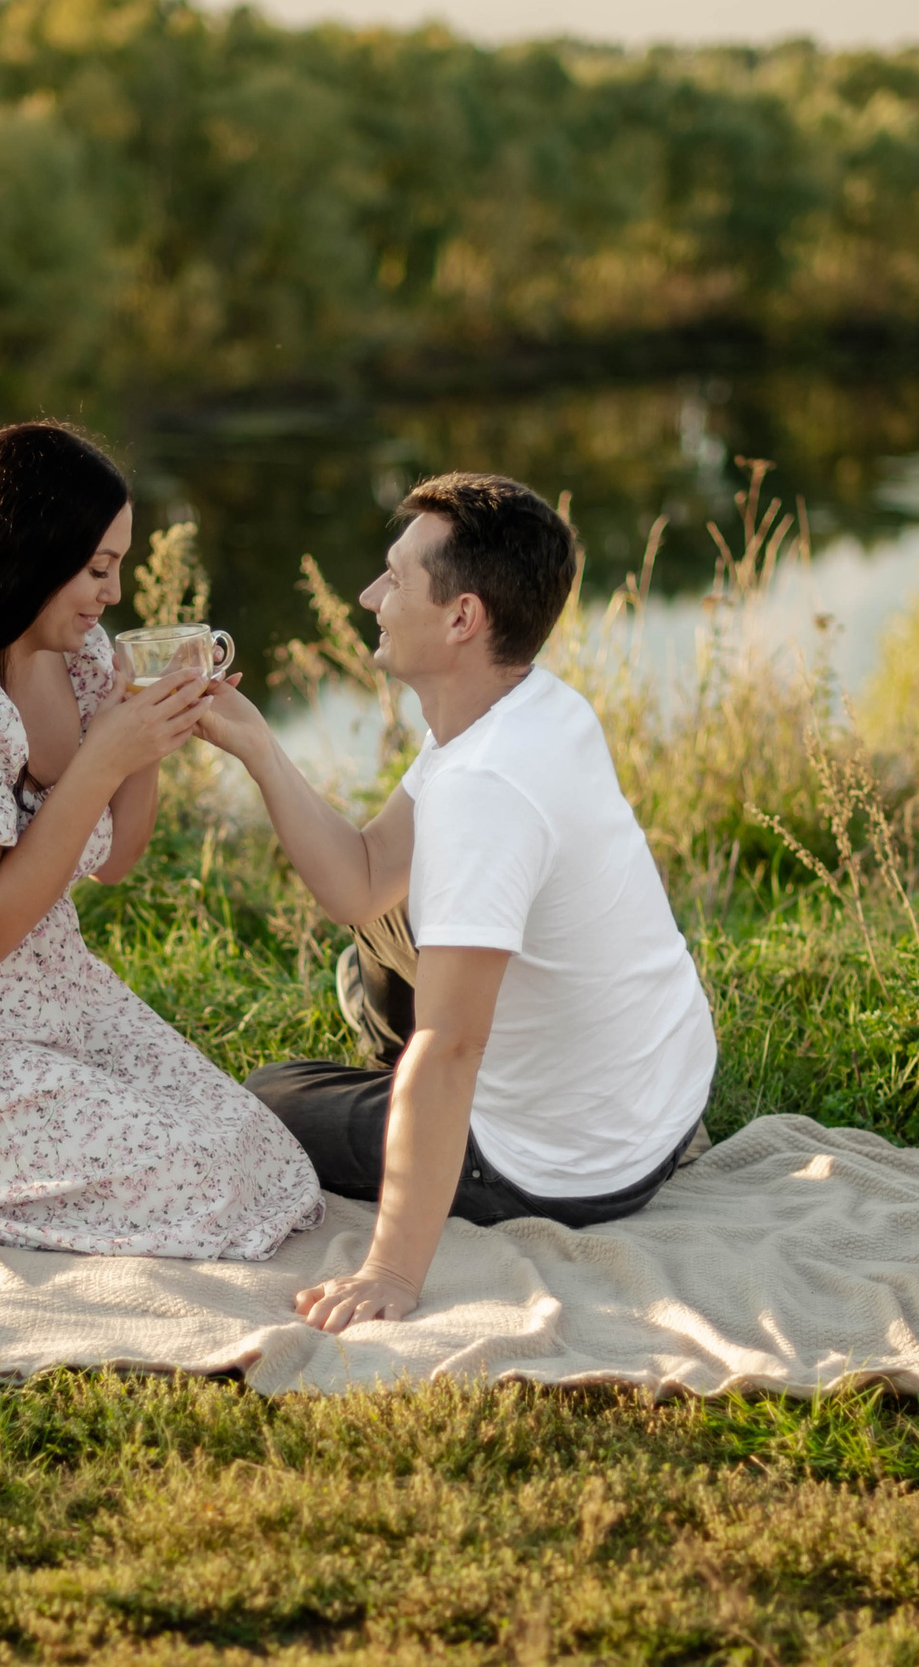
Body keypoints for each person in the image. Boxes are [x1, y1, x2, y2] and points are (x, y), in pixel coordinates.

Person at [0, 421, 323, 1259]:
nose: (111, 594)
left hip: (57, 1002)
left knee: (262, 1156)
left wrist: (143, 737)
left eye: (118, 567)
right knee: (201, 1177)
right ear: (25, 549)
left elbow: (113, 859)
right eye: (99, 567)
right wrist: (103, 756)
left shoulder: (74, 659)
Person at [195, 473, 716, 1330]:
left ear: (462, 618)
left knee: (269, 1094)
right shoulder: (525, 707)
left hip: (568, 1167)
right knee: (390, 921)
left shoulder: (484, 788)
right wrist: (256, 743)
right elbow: (363, 878)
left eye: (395, 578)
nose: (369, 595)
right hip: (663, 1099)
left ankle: (424, 1126)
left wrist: (393, 1270)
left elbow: (450, 1046)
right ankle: (404, 1081)